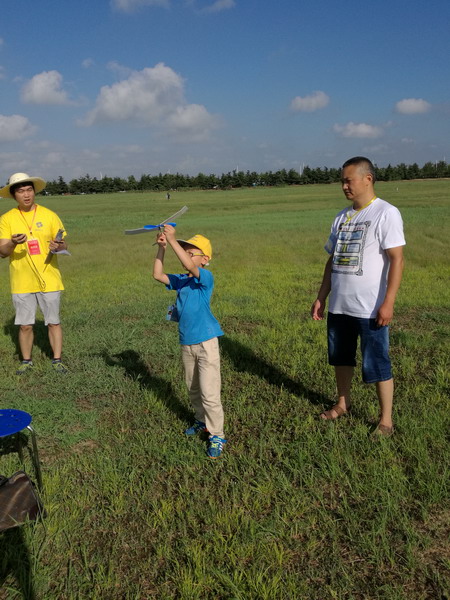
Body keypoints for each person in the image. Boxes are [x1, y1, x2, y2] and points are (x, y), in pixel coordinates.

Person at [311, 157, 405, 436]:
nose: (344, 186)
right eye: (342, 181)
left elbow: (397, 260)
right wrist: (321, 296)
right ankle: (343, 403)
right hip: (340, 306)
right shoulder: (341, 216)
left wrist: (388, 302)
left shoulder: (386, 213)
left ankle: (385, 420)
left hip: (371, 309)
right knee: (341, 358)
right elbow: (332, 260)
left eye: (348, 180)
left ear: (368, 179)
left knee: (377, 361)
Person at [153, 225, 226, 458]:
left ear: (205, 259)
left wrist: (173, 240)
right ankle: (200, 420)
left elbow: (189, 265)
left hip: (206, 342)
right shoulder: (182, 281)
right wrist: (162, 248)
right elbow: (157, 275)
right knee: (193, 388)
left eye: (190, 251)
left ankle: (217, 435)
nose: (184, 254)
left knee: (210, 393)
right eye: (184, 250)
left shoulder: (205, 279)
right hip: (187, 343)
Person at [0, 172, 69, 374]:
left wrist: (59, 245)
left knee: (54, 322)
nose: (26, 195)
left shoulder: (50, 215)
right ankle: (26, 361)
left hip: (50, 277)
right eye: (20, 191)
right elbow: (3, 252)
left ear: (34, 191)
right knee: (25, 325)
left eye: (29, 189)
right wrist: (13, 242)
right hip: (21, 280)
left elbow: (64, 244)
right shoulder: (6, 220)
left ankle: (57, 360)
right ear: (14, 196)